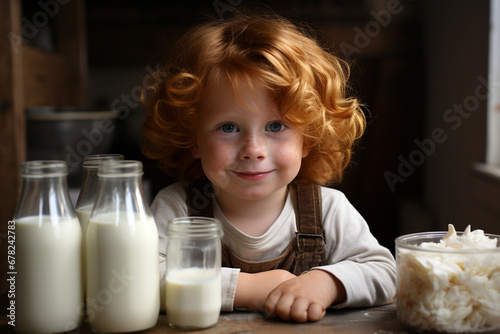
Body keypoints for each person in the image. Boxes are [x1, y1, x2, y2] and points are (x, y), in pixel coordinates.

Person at [141, 12, 396, 323]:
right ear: (193, 137)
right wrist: (248, 288)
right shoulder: (179, 207)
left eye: (276, 126)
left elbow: (384, 272)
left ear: (308, 138)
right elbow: (141, 278)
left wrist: (326, 283)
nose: (253, 150)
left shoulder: (327, 209)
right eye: (228, 127)